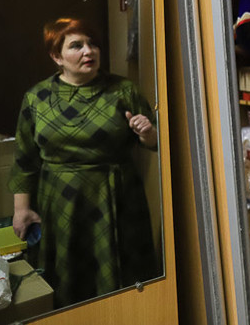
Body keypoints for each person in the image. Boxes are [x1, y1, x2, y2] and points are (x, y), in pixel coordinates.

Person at [9, 18, 158, 308]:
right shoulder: (37, 97)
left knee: (123, 282)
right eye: (76, 46)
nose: (89, 51)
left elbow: (155, 143)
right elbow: (24, 158)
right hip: (60, 202)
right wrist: (21, 209)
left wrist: (148, 133)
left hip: (116, 198)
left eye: (93, 44)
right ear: (57, 56)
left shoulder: (123, 91)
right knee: (66, 281)